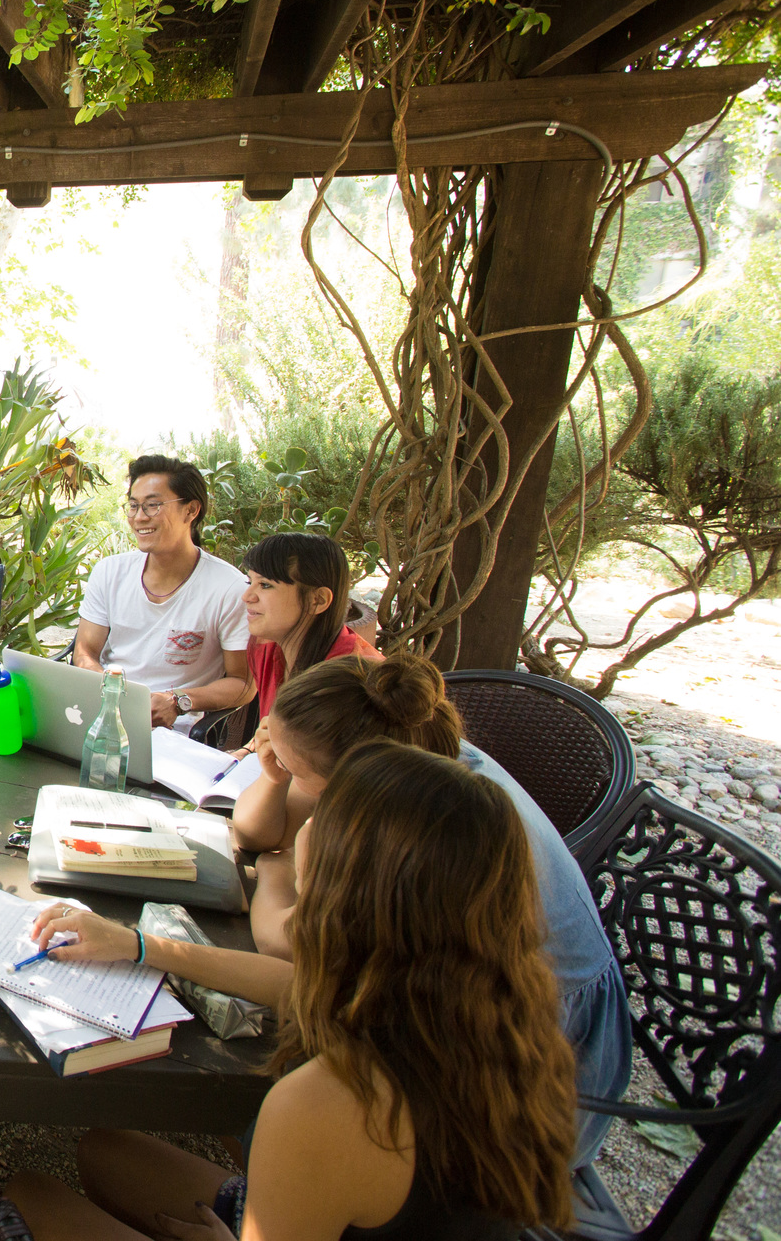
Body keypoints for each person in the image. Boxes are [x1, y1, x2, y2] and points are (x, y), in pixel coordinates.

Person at [55, 652, 629, 1165]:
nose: (273, 764)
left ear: (355, 778)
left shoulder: (422, 827)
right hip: (454, 1008)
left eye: (298, 769)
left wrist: (280, 868)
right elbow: (256, 835)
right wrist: (278, 780)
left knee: (280, 1069)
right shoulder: (406, 753)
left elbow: (289, 945)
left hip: (526, 1070)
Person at [8, 741, 576, 1240]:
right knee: (105, 1154)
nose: (304, 827)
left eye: (324, 819)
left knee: (29, 1199)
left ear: (352, 889)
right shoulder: (495, 1017)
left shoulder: (322, 1106)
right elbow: (295, 984)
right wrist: (137, 945)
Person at [71, 455, 252, 729]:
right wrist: (110, 694)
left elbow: (243, 684)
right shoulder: (110, 572)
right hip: (99, 713)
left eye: (153, 505)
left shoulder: (229, 588)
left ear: (191, 511)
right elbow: (84, 651)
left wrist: (178, 700)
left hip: (170, 733)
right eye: (133, 506)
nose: (139, 517)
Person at [241, 531, 379, 719]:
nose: (247, 596)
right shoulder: (265, 647)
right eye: (250, 582)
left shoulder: (354, 683)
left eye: (265, 585)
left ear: (317, 600)